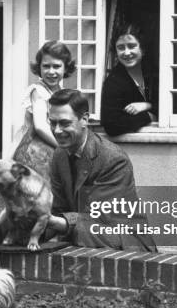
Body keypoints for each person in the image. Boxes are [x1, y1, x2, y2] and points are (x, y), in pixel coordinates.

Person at [46, 89, 157, 251]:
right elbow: (58, 209)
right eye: (52, 122)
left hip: (125, 243)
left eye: (64, 123)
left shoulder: (113, 159)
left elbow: (102, 221)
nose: (56, 131)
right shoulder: (59, 155)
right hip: (86, 239)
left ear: (84, 119)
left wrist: (55, 222)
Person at [12, 41, 76, 180]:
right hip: (35, 150)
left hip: (51, 146)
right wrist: (63, 147)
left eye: (57, 66)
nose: (51, 72)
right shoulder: (38, 91)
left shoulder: (60, 92)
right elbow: (40, 126)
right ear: (39, 68)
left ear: (65, 68)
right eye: (46, 66)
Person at [100, 23, 158, 136]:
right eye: (121, 48)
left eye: (131, 46)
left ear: (143, 49)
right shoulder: (113, 81)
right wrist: (148, 116)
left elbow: (174, 107)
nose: (126, 53)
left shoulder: (155, 73)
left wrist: (147, 106)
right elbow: (111, 125)